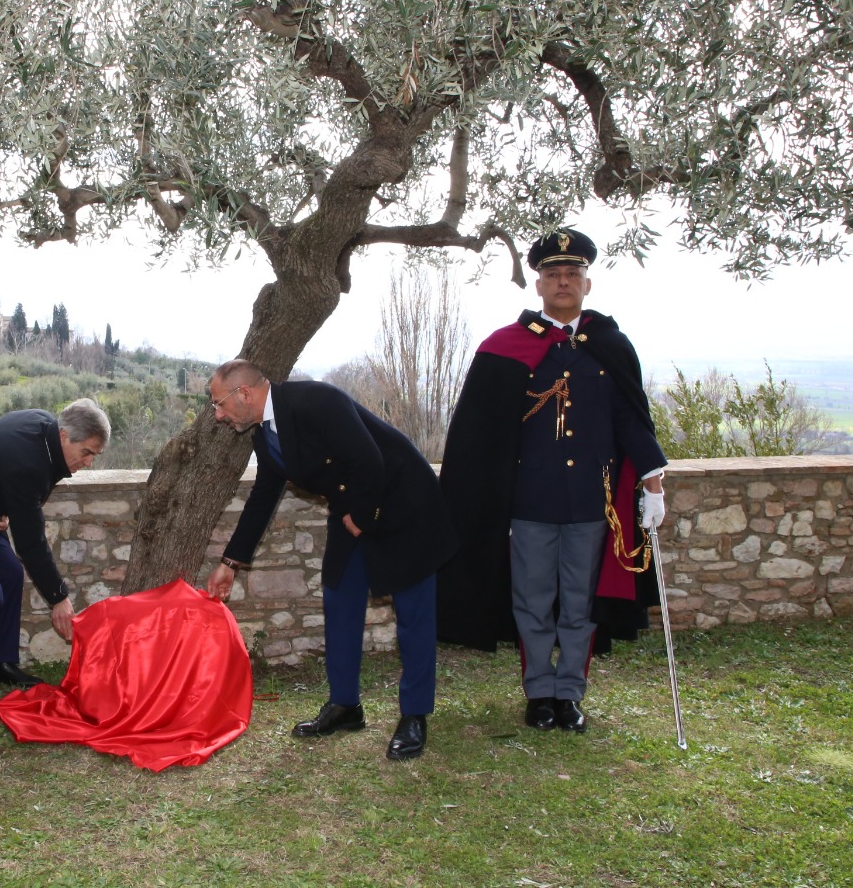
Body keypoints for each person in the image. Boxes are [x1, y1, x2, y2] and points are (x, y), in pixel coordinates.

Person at [437, 228, 668, 734]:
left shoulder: (610, 345)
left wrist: (653, 483)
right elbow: (479, 432)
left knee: (580, 604)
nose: (563, 282)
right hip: (530, 500)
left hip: (591, 501)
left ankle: (570, 694)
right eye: (553, 274)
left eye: (572, 274)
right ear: (539, 285)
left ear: (588, 283)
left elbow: (632, 420)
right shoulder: (505, 347)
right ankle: (539, 692)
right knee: (533, 601)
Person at [205, 359, 457, 760]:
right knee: (339, 598)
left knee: (413, 612)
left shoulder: (317, 400)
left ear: (245, 393)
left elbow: (369, 459)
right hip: (351, 510)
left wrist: (363, 517)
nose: (218, 415)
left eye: (219, 404)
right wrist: (229, 562)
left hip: (402, 503)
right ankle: (345, 706)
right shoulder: (264, 435)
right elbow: (262, 498)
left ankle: (414, 715)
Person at [0, 399, 109, 706]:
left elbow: (6, 482)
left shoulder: (44, 428)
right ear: (64, 435)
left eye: (94, 455)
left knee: (11, 574)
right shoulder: (30, 461)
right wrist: (58, 598)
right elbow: (31, 542)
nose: (89, 463)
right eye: (87, 452)